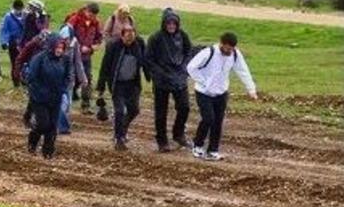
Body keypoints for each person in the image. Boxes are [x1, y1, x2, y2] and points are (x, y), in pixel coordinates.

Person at [187, 32, 258, 161]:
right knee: (208, 118)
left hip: (221, 93)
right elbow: (191, 67)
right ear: (221, 44)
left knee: (218, 121)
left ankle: (213, 150)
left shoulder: (235, 55)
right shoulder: (209, 53)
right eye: (227, 48)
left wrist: (251, 89)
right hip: (204, 92)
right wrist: (203, 81)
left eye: (232, 49)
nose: (229, 51)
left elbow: (243, 71)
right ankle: (198, 145)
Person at [145, 9, 193, 153]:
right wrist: (159, 73)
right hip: (162, 80)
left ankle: (178, 133)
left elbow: (188, 52)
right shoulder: (156, 38)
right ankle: (162, 141)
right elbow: (149, 59)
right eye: (168, 23)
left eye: (174, 23)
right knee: (161, 112)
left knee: (184, 107)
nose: (171, 25)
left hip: (179, 77)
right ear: (164, 23)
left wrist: (184, 68)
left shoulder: (183, 36)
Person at [96, 24, 149, 151]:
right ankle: (118, 138)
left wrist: (149, 75)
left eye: (132, 36)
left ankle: (122, 128)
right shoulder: (114, 46)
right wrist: (101, 87)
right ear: (122, 36)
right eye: (127, 36)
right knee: (119, 111)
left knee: (134, 110)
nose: (130, 40)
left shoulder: (139, 44)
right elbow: (105, 66)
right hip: (117, 84)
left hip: (133, 84)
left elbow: (144, 60)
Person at [25, 33, 73, 159]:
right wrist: (39, 91)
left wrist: (63, 88)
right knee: (43, 124)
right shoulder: (39, 58)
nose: (59, 50)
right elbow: (32, 78)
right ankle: (32, 142)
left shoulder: (65, 59)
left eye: (62, 48)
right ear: (51, 46)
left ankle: (48, 152)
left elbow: (68, 76)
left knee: (52, 126)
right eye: (57, 47)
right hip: (39, 98)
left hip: (56, 97)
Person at [64, 2, 103, 112]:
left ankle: (85, 104)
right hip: (73, 54)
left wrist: (90, 48)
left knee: (87, 79)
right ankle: (70, 95)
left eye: (94, 16)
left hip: (86, 56)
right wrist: (77, 47)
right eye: (90, 14)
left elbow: (99, 39)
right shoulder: (74, 19)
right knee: (73, 77)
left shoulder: (96, 23)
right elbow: (67, 36)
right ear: (86, 10)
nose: (92, 17)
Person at [0, 0, 26, 86]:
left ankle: (24, 80)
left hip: (23, 43)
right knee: (15, 63)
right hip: (13, 43)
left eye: (20, 9)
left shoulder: (25, 16)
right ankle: (16, 82)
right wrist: (4, 42)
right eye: (17, 9)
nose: (18, 11)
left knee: (24, 62)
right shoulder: (8, 17)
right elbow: (4, 30)